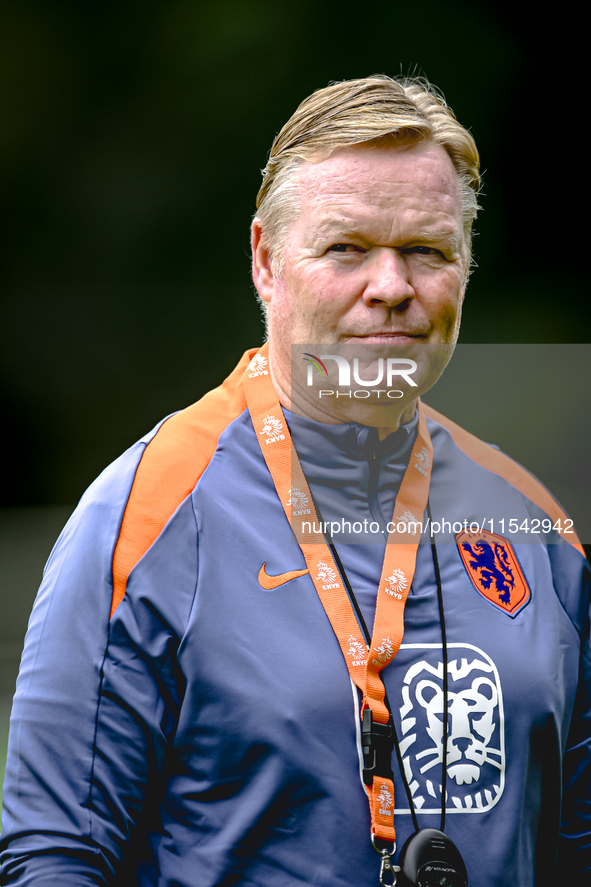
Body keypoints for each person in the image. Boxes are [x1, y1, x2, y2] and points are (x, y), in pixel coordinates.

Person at [0, 75, 589, 887]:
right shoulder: (146, 514)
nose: (391, 286)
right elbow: (53, 856)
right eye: (346, 247)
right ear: (266, 261)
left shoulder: (541, 532)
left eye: (426, 250)